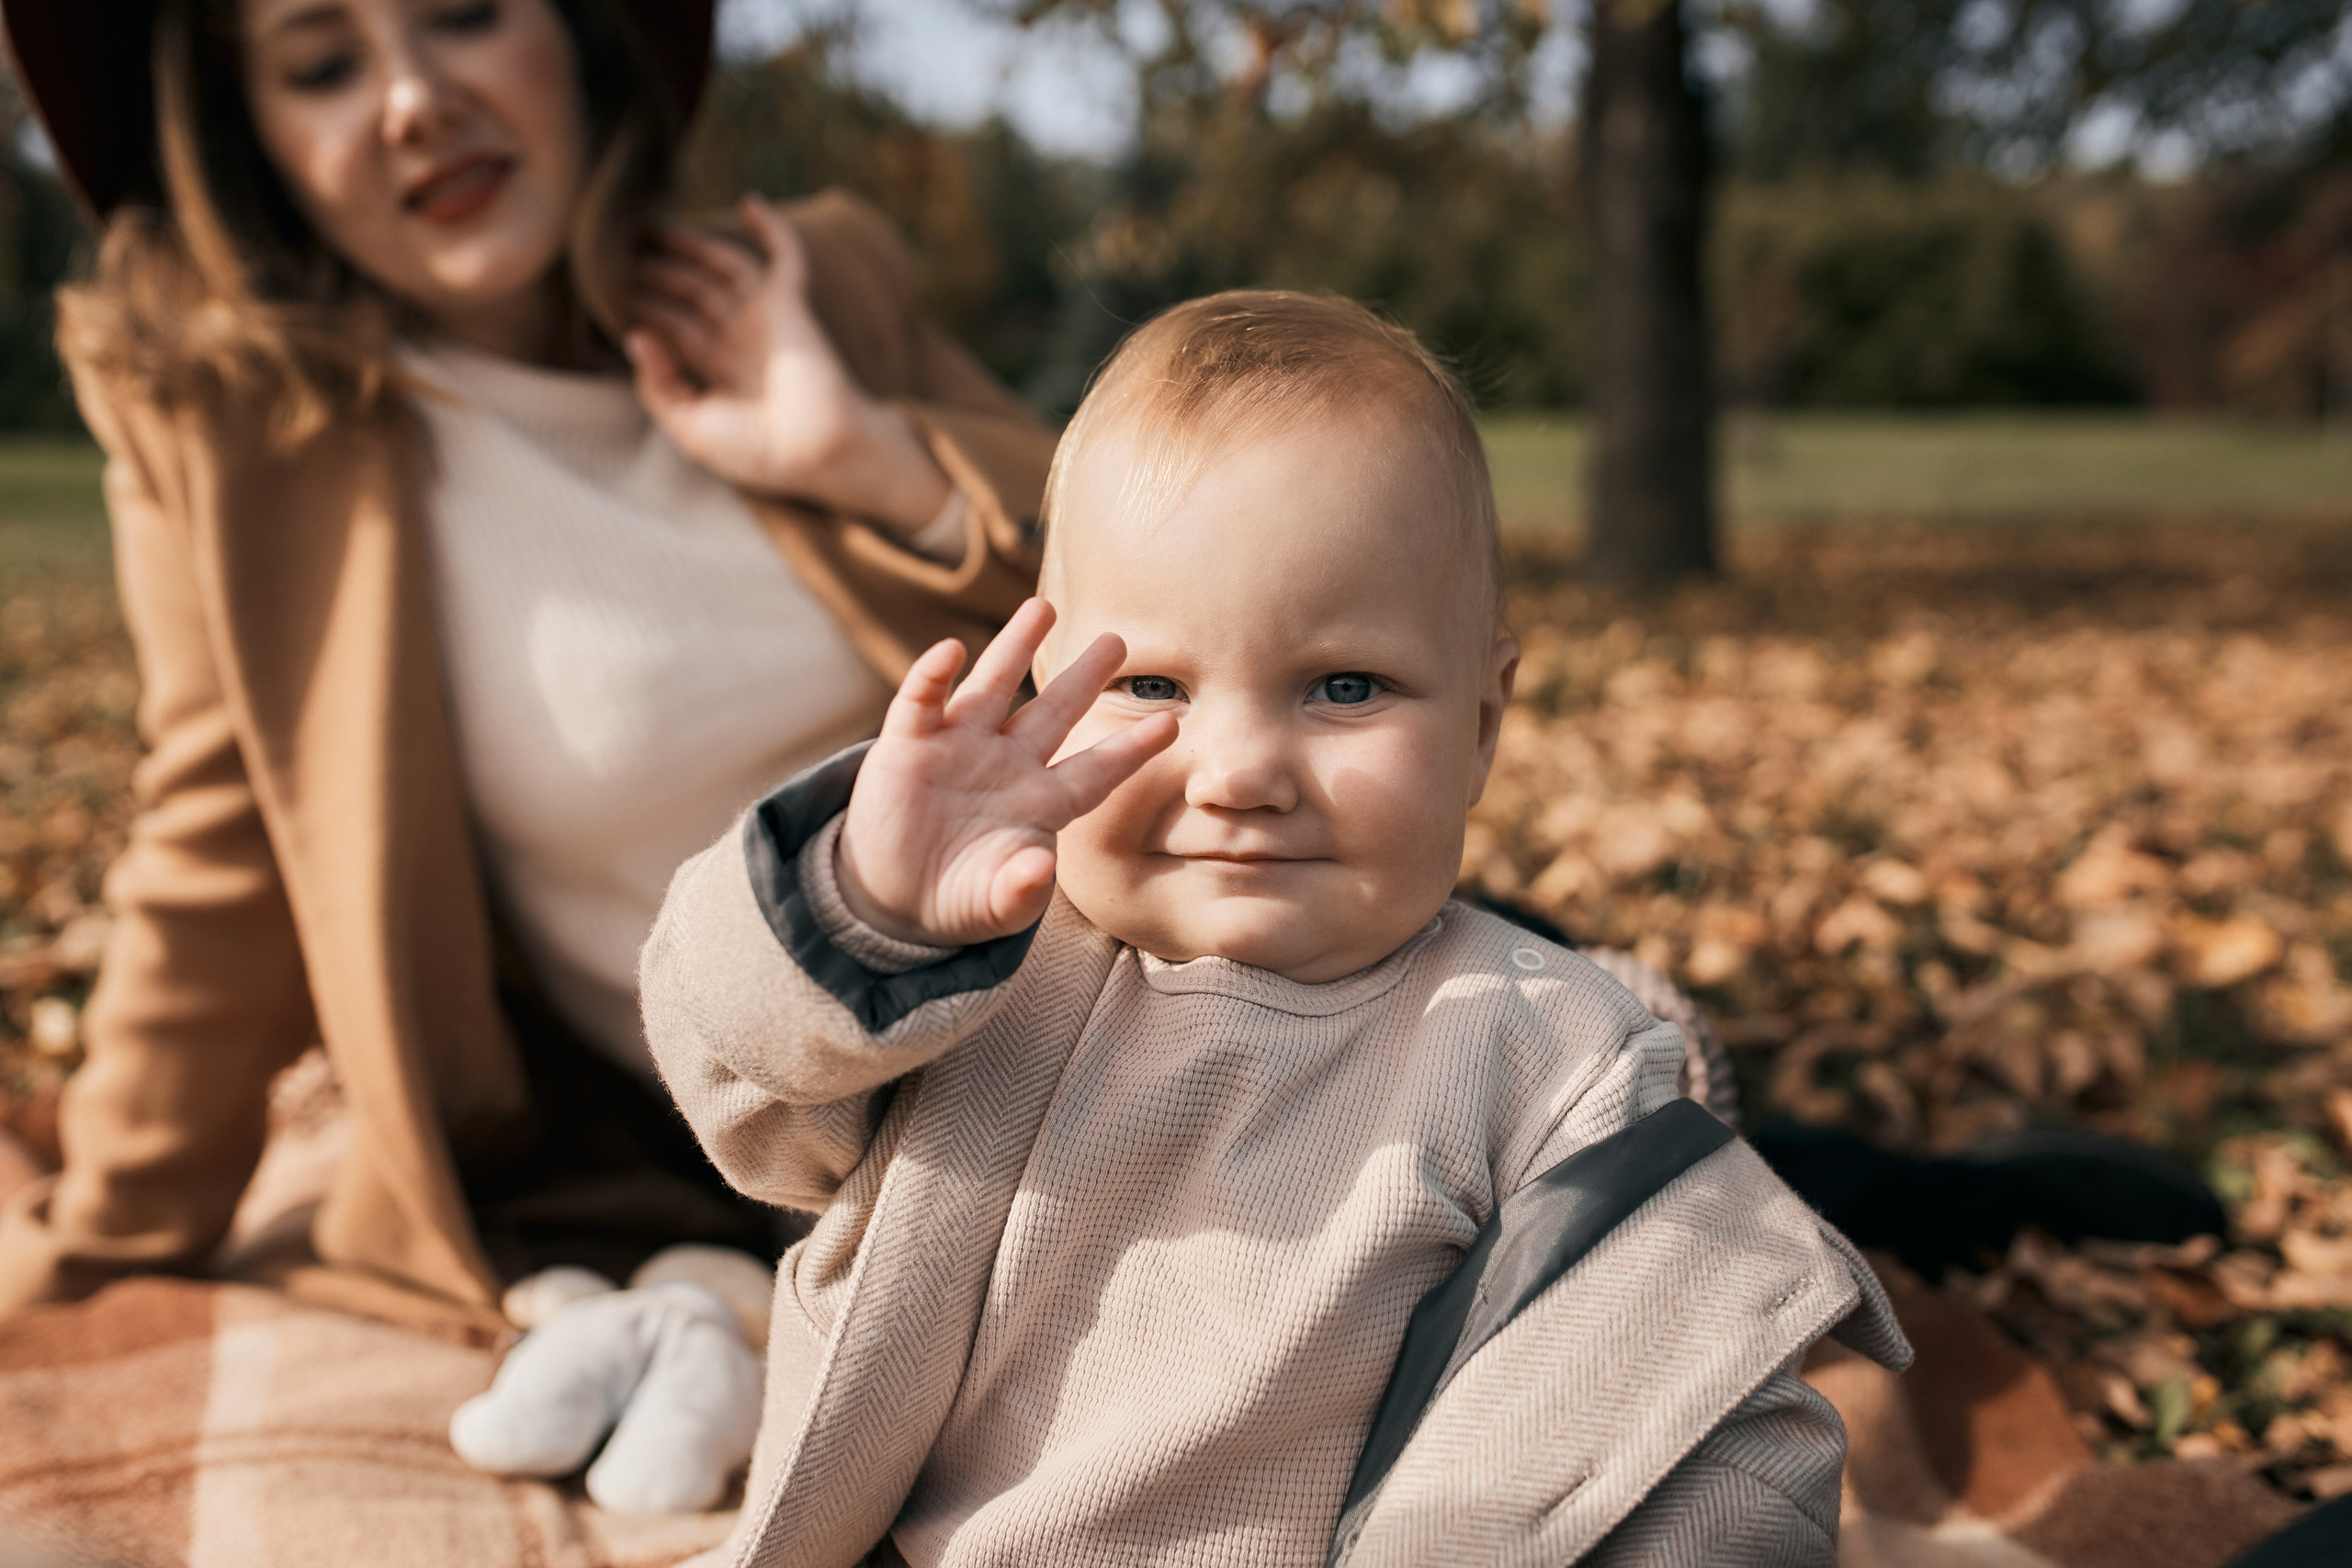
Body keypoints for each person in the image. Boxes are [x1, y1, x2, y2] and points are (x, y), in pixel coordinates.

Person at [639, 290, 1910, 1565]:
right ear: (1045, 696)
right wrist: (860, 906)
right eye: (1151, 686)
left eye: (1344, 687)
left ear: (1482, 725)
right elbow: (737, 1081)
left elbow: (1700, 1416)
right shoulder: (968, 989)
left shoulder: (1545, 1052)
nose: (1240, 772)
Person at [0, 0, 1049, 1347]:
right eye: (322, 65)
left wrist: (875, 462)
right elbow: (224, 846)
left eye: (463, 13)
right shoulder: (250, 447)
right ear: (247, 131)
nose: (413, 102)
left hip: (1147, 1002)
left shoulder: (813, 285)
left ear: (574, 28)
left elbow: (1187, 615)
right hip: (825, 1167)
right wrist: (95, 1243)